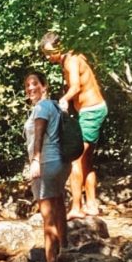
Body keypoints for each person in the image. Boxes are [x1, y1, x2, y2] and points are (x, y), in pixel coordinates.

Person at [40, 31, 108, 218]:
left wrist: (63, 100)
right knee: (86, 160)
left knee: (74, 158)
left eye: (49, 52)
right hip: (91, 110)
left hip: (91, 111)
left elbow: (76, 87)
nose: (47, 57)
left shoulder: (71, 60)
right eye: (45, 53)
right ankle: (91, 205)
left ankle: (76, 208)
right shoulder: (71, 57)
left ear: (59, 47)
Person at [23, 70, 68, 262]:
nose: (30, 88)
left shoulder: (41, 107)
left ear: (44, 86)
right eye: (27, 86)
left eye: (34, 84)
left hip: (46, 163)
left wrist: (35, 161)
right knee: (59, 206)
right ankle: (64, 251)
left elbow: (39, 136)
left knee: (47, 214)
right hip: (60, 162)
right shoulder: (56, 106)